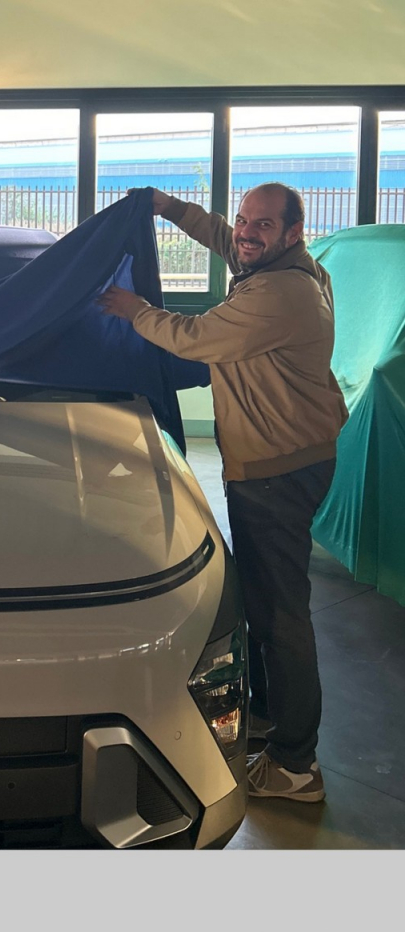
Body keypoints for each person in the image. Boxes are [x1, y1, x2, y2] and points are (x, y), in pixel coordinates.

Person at [96, 183, 348, 802]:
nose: (245, 232)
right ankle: (267, 716)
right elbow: (222, 238)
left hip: (276, 471)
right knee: (264, 600)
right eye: (243, 220)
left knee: (280, 614)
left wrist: (132, 309)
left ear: (293, 232)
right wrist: (171, 209)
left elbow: (193, 337)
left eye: (262, 224)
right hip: (286, 458)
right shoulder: (285, 264)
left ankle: (296, 765)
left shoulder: (280, 293)